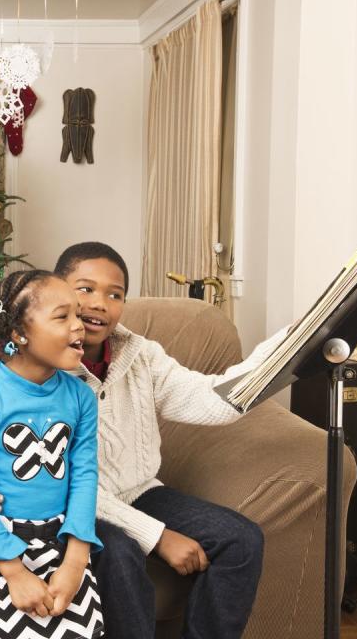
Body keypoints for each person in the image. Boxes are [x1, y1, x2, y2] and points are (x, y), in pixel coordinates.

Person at [53, 241, 287, 639]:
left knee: (241, 538)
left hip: (140, 491)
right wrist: (157, 536)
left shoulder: (141, 354)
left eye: (115, 294)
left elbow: (211, 401)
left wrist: (285, 346)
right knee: (121, 554)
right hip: (72, 504)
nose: (100, 304)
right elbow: (65, 484)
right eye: (85, 288)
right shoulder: (43, 369)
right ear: (55, 289)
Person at [0, 269, 105, 639]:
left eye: (78, 314)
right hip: (0, 545)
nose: (79, 326)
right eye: (62, 316)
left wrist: (75, 561)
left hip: (61, 539)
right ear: (20, 334)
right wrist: (14, 571)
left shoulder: (82, 397)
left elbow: (84, 477)